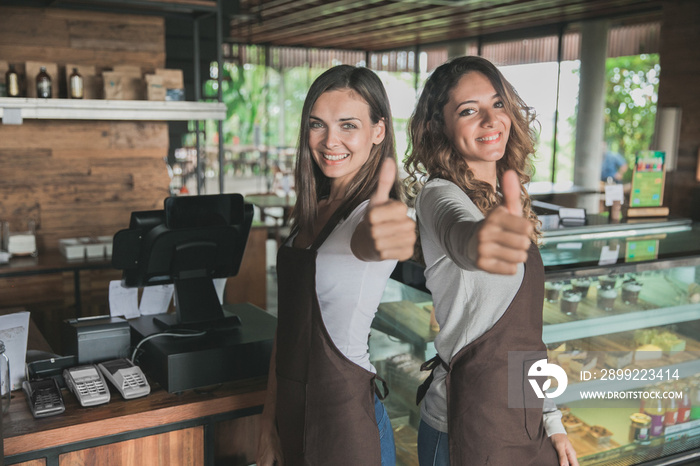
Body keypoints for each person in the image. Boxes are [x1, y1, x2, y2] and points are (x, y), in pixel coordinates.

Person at [403, 56, 579, 466]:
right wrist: (479, 240)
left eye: (497, 104)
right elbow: (459, 231)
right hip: (461, 422)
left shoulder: (508, 198)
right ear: (438, 127)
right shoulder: (438, 195)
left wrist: (551, 420)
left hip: (522, 420)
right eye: (468, 110)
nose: (490, 119)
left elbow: (524, 342)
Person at [256, 65, 416, 466]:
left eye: (348, 125)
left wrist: (390, 229)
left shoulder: (369, 215)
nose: (330, 141)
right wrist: (267, 422)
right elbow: (287, 327)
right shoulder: (313, 211)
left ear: (378, 131)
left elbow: (372, 241)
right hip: (292, 416)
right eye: (318, 124)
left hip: (346, 420)